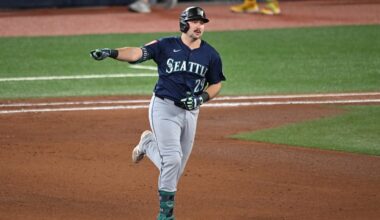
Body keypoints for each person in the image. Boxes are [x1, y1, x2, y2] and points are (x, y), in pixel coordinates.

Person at [90, 6, 226, 220]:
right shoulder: (165, 45)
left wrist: (201, 99)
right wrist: (111, 52)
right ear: (184, 24)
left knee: (175, 169)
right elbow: (137, 53)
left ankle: (147, 143)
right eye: (194, 21)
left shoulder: (211, 54)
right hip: (164, 107)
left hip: (191, 113)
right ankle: (165, 216)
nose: (199, 26)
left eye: (202, 22)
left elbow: (216, 84)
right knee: (172, 160)